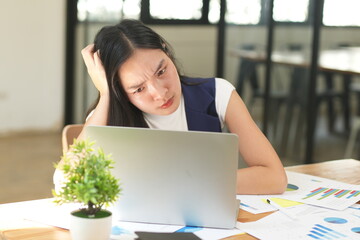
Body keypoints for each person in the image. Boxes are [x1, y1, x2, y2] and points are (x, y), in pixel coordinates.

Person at [77, 19, 287, 195]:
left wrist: (180, 184)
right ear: (119, 91)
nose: (160, 94)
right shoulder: (107, 115)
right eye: (138, 89)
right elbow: (68, 183)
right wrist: (105, 94)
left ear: (166, 51)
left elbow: (274, 177)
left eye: (161, 72)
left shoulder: (218, 94)